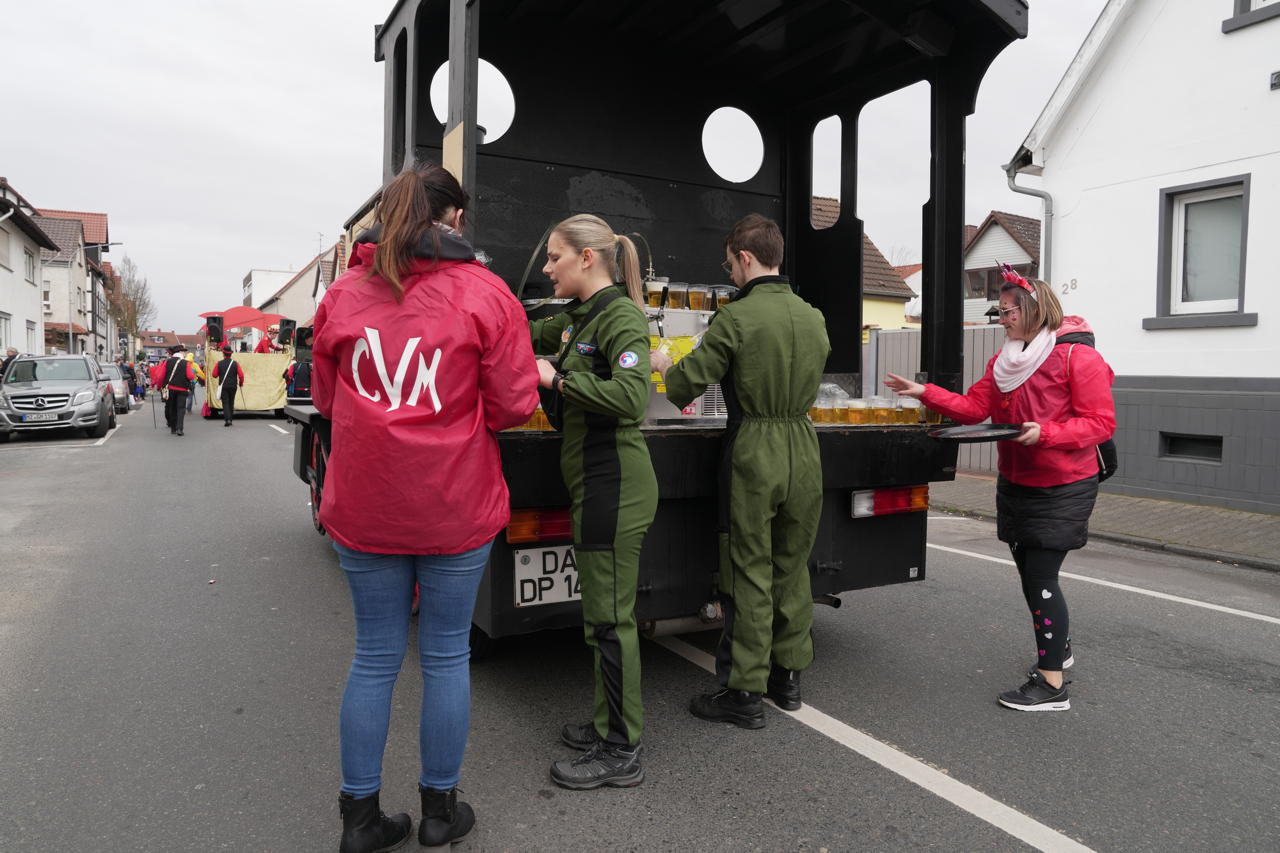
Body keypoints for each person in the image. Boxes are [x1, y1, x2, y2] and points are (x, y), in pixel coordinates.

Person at [311, 162, 538, 853]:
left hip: (366, 505)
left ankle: (359, 819)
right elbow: (514, 403)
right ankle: (441, 812)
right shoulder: (488, 294)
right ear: (456, 219)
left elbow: (326, 400)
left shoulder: (345, 295)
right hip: (454, 505)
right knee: (444, 656)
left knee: (374, 656)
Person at [885, 264, 1115, 712]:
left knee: (1041, 575)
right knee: (1029, 572)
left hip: (1063, 483)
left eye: (1009, 309)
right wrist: (924, 391)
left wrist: (1043, 433)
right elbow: (974, 409)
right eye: (1000, 310)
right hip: (1018, 480)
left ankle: (1052, 685)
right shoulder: (1006, 360)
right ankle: (1059, 649)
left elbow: (1100, 423)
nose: (1002, 317)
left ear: (1033, 308)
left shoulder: (1077, 358)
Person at [649, 214, 830, 728]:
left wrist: (663, 362)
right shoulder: (813, 316)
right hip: (803, 443)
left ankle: (743, 693)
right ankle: (788, 677)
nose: (729, 273)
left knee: (750, 568)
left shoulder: (736, 318)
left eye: (730, 264)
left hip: (756, 448)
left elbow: (688, 385)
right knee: (792, 564)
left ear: (746, 258)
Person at [528, 214, 657, 790]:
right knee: (598, 617)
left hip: (616, 484)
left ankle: (621, 750)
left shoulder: (621, 316)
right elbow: (522, 334)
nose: (546, 267)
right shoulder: (579, 318)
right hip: (595, 482)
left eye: (555, 257)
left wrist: (555, 381)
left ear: (587, 258)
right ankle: (608, 722)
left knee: (610, 620)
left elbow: (631, 397)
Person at [160, 345, 199, 435]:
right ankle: (179, 429)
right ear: (181, 352)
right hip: (182, 389)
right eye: (184, 352)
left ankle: (173, 428)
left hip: (170, 389)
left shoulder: (167, 362)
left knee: (172, 408)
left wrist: (160, 386)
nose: (185, 353)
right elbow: (190, 376)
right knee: (181, 409)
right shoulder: (186, 363)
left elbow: (161, 375)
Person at [212, 346, 245, 426]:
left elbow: (214, 375)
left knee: (225, 402)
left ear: (223, 354)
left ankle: (227, 420)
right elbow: (241, 375)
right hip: (233, 386)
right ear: (231, 354)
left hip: (223, 386)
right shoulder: (235, 363)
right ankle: (230, 419)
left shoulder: (219, 363)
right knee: (231, 402)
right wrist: (241, 383)